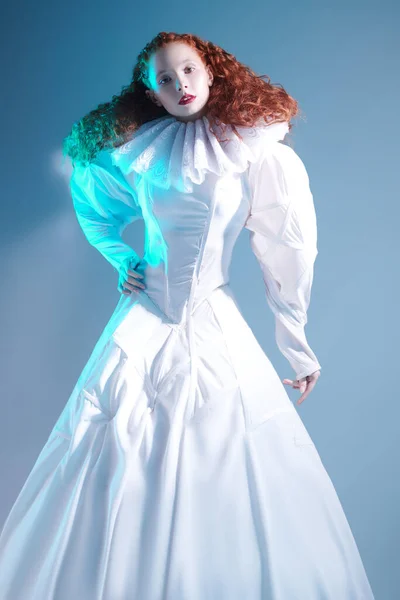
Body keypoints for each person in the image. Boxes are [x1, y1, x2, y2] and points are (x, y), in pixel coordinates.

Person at [0, 31, 375, 599]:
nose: (180, 86)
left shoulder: (252, 150)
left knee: (224, 456)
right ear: (151, 93)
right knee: (114, 449)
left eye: (188, 72)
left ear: (212, 72)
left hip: (213, 322)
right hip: (142, 323)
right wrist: (122, 258)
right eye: (165, 80)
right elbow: (92, 199)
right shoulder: (144, 150)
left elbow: (289, 247)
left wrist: (295, 342)